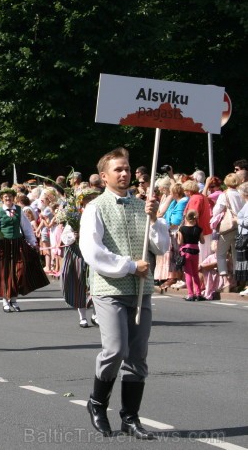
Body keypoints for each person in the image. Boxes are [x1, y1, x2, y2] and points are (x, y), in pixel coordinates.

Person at [80, 148, 169, 439]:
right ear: (104, 176)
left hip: (140, 290)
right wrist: (130, 266)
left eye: (127, 169)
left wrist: (154, 219)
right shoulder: (95, 207)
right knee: (116, 350)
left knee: (138, 356)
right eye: (118, 169)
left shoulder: (143, 206)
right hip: (110, 288)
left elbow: (161, 246)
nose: (124, 174)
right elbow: (92, 251)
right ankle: (96, 402)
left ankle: (130, 417)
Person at [0, 188, 48, 312]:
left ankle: (14, 299)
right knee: (5, 272)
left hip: (17, 243)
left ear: (13, 198)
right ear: (2, 199)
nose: (8, 199)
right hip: (3, 245)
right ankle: (5, 299)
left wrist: (33, 243)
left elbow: (27, 229)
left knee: (19, 270)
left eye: (10, 197)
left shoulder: (19, 211)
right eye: (5, 198)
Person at [60, 191, 99, 327]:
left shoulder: (100, 214)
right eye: (88, 199)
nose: (91, 202)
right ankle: (83, 316)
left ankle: (96, 314)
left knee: (96, 285)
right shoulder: (76, 217)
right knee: (78, 284)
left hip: (95, 254)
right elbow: (65, 237)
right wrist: (74, 236)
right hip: (78, 254)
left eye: (93, 199)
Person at [178, 210, 204, 301]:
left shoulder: (182, 229)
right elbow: (202, 241)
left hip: (186, 252)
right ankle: (198, 293)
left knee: (188, 274)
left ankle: (190, 294)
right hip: (195, 251)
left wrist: (178, 234)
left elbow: (180, 242)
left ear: (186, 218)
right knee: (195, 273)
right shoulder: (199, 229)